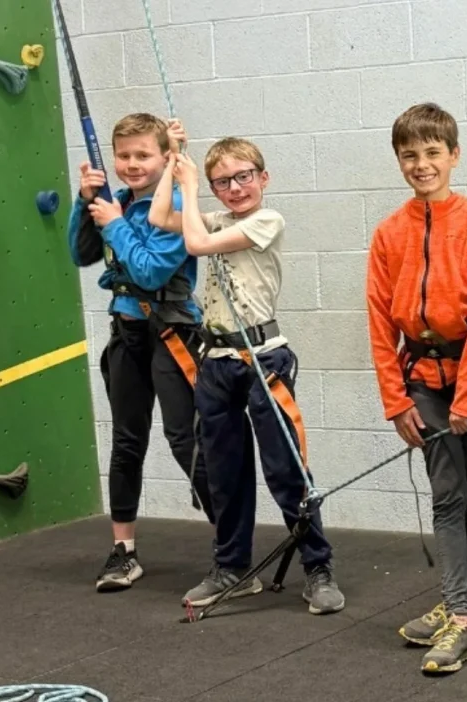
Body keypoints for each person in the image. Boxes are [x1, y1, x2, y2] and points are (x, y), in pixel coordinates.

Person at [147, 129, 345, 615]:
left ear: (263, 178)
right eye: (223, 182)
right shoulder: (212, 216)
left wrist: (191, 186)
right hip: (216, 363)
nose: (235, 188)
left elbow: (196, 244)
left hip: (264, 360)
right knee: (224, 473)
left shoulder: (266, 220)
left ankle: (317, 566)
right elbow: (157, 216)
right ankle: (232, 568)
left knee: (285, 468)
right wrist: (175, 163)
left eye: (244, 177)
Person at [367, 102, 467, 673]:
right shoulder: (389, 233)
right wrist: (395, 400)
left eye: (432, 153)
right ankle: (461, 606)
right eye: (410, 155)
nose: (421, 164)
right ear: (399, 161)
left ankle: (463, 612)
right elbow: (379, 320)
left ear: (454, 155)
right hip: (420, 381)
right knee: (450, 493)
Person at [67, 112, 214, 593]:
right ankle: (123, 551)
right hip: (127, 332)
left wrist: (114, 224)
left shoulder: (174, 205)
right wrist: (86, 201)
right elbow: (81, 253)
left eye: (143, 155)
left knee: (184, 440)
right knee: (126, 443)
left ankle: (230, 544)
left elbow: (150, 272)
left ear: (164, 157)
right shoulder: (119, 202)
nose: (132, 165)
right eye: (124, 156)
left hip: (172, 333)